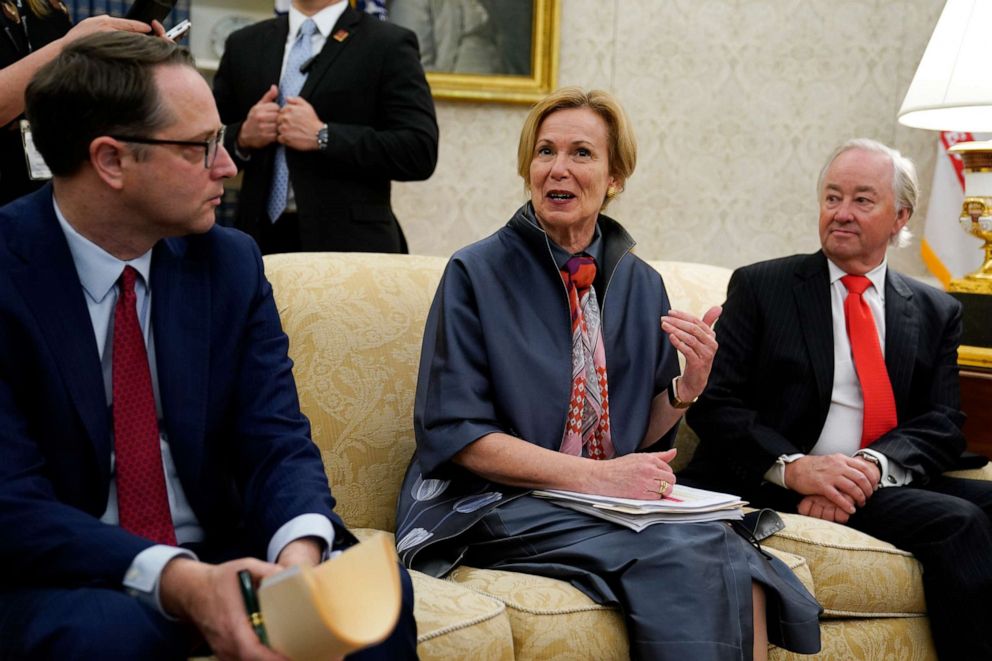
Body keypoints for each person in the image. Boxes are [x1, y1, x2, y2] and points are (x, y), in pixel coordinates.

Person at [0, 32, 416, 659]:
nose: (226, 167)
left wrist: (297, 557)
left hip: (222, 550)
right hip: (66, 568)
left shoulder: (229, 261)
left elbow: (275, 438)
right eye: (201, 147)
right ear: (110, 160)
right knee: (109, 636)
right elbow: (12, 504)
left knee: (372, 598)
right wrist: (179, 580)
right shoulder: (8, 269)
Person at [394, 86, 822, 660]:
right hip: (484, 501)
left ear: (615, 177)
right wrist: (596, 479)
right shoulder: (475, 271)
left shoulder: (639, 282)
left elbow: (631, 437)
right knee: (685, 551)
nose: (558, 169)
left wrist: (683, 390)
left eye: (581, 154)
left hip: (590, 503)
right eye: (545, 152)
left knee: (733, 547)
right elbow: (458, 436)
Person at [680, 138, 992, 659]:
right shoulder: (763, 286)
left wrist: (869, 467)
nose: (841, 213)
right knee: (957, 524)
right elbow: (717, 404)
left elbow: (942, 422)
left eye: (862, 200)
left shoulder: (935, 308)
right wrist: (796, 468)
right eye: (832, 197)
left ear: (900, 216)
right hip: (773, 478)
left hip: (875, 478)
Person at [213, 0, 438, 255]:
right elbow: (202, 145)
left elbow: (419, 150)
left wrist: (324, 136)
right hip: (257, 242)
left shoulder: (388, 43)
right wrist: (241, 138)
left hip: (350, 249)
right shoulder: (244, 44)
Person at [0, 3, 156, 205]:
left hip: (50, 189)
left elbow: (75, 97)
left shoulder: (49, 7)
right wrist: (67, 49)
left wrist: (128, 61)